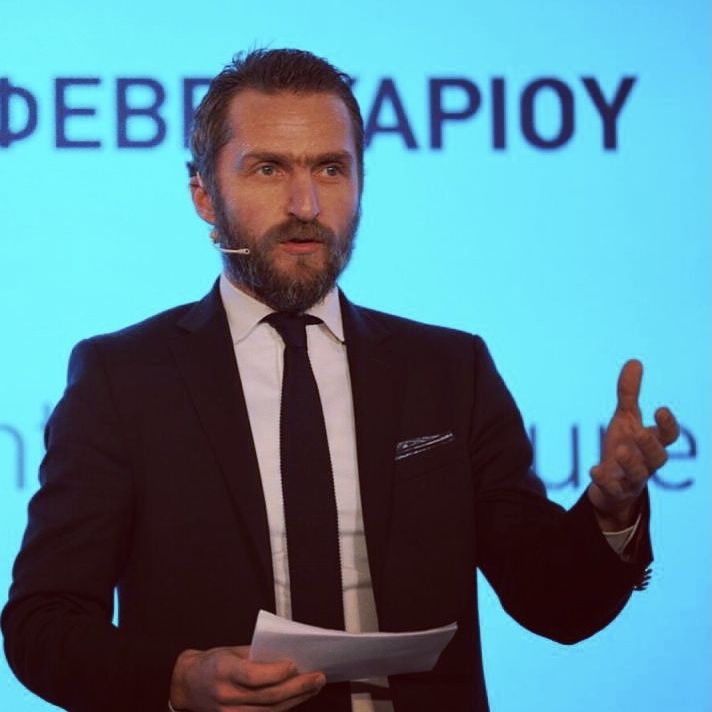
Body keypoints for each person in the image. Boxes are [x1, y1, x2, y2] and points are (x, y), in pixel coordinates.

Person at [2, 49, 679, 712]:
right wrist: (178, 680)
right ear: (204, 195)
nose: (305, 204)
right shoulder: (124, 380)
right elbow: (43, 623)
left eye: (331, 168)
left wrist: (610, 511)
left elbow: (556, 605)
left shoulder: (450, 370)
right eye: (268, 168)